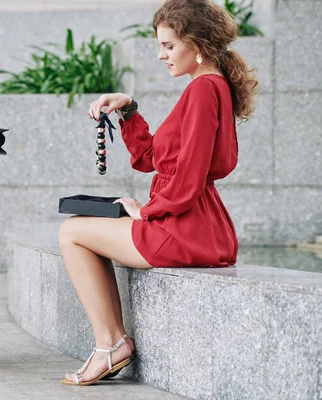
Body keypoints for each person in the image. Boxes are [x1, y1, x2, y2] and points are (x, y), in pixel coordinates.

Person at [59, 0, 258, 386]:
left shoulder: (204, 89)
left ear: (196, 43)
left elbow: (191, 174)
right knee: (80, 228)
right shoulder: (210, 87)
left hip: (183, 227)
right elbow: (152, 158)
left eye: (168, 45)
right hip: (194, 223)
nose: (160, 54)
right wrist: (129, 109)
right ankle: (111, 343)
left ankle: (110, 344)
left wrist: (147, 212)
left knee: (72, 232)